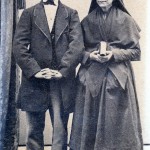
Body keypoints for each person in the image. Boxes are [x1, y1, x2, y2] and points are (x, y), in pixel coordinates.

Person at [70, 0, 143, 150]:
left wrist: (113, 54)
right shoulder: (87, 20)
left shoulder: (125, 19)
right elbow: (77, 51)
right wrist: (90, 55)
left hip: (116, 78)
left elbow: (135, 51)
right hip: (91, 78)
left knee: (116, 122)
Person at [13, 0, 84, 149]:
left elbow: (77, 46)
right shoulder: (29, 14)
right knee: (33, 130)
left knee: (60, 129)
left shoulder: (71, 14)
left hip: (61, 82)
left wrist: (62, 71)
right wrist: (36, 71)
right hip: (35, 82)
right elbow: (19, 46)